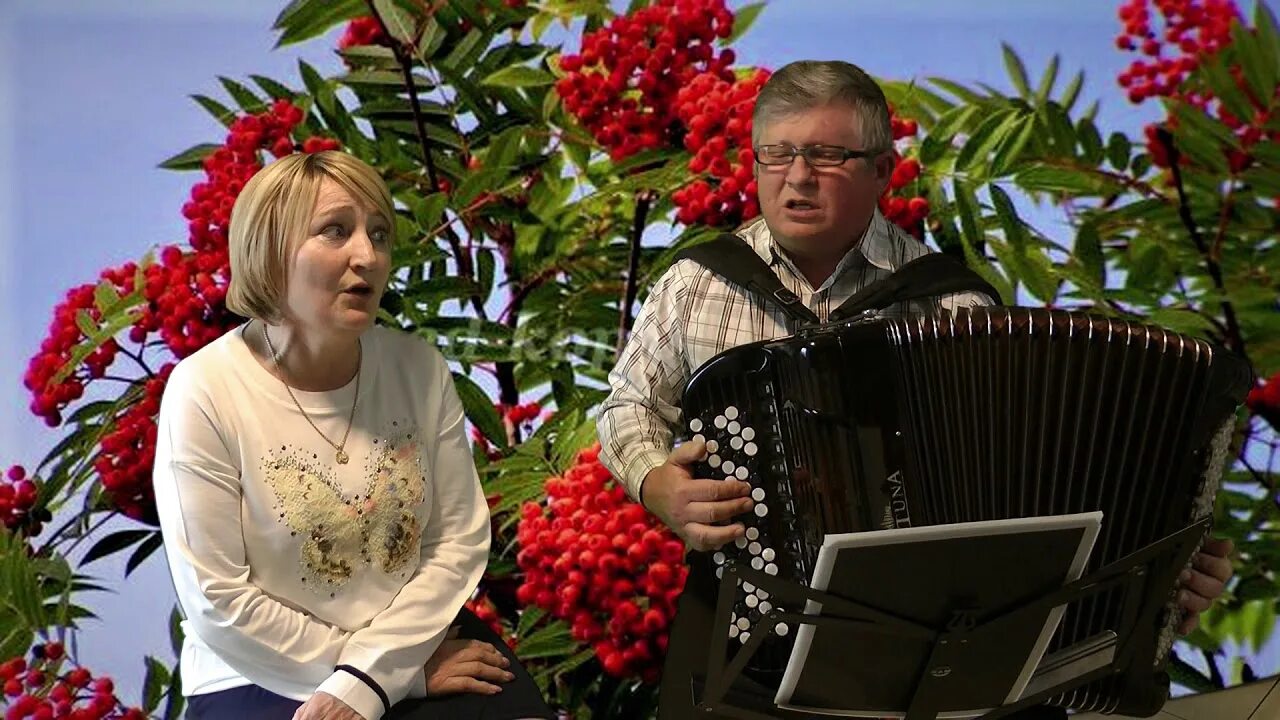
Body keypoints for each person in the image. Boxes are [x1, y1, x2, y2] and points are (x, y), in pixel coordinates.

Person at [595, 60, 1234, 718]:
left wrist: (1165, 578)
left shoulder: (955, 304)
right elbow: (626, 408)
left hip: (921, 677)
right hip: (748, 645)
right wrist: (658, 484)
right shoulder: (698, 282)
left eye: (826, 155)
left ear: (882, 170)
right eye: (777, 154)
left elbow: (1033, 496)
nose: (796, 177)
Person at [153, 151, 554, 720]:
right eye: (335, 231)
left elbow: (455, 543)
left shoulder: (419, 369)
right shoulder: (204, 389)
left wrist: (371, 676)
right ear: (270, 252)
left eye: (380, 235)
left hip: (410, 636)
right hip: (255, 665)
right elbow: (218, 599)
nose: (368, 255)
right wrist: (390, 679)